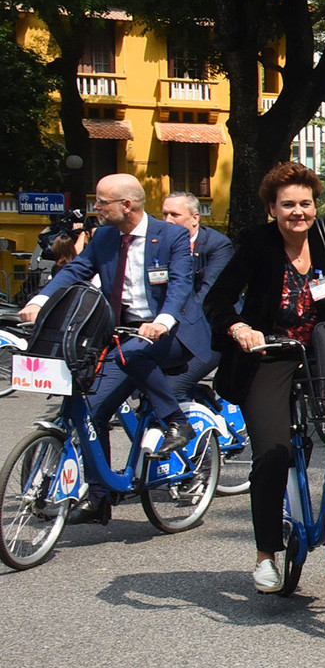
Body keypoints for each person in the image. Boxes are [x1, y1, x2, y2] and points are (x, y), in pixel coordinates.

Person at [204, 163, 325, 591]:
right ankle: (266, 554)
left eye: (305, 203)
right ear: (272, 210)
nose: (299, 212)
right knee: (274, 451)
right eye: (288, 205)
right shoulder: (258, 245)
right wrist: (239, 328)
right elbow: (219, 299)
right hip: (270, 355)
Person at [21, 174, 203, 483]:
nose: (96, 208)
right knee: (92, 413)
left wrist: (161, 322)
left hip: (170, 332)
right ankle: (99, 494)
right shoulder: (104, 237)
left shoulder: (171, 236)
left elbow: (180, 285)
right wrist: (40, 300)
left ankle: (176, 422)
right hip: (123, 338)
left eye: (102, 202)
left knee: (131, 355)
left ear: (126, 205)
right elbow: (76, 271)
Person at [160, 192, 236, 400]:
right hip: (174, 327)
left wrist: (169, 319)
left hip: (211, 329)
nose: (167, 220)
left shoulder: (217, 245)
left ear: (195, 218)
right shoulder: (160, 245)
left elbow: (208, 294)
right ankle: (198, 395)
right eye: (164, 214)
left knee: (171, 389)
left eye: (174, 215)